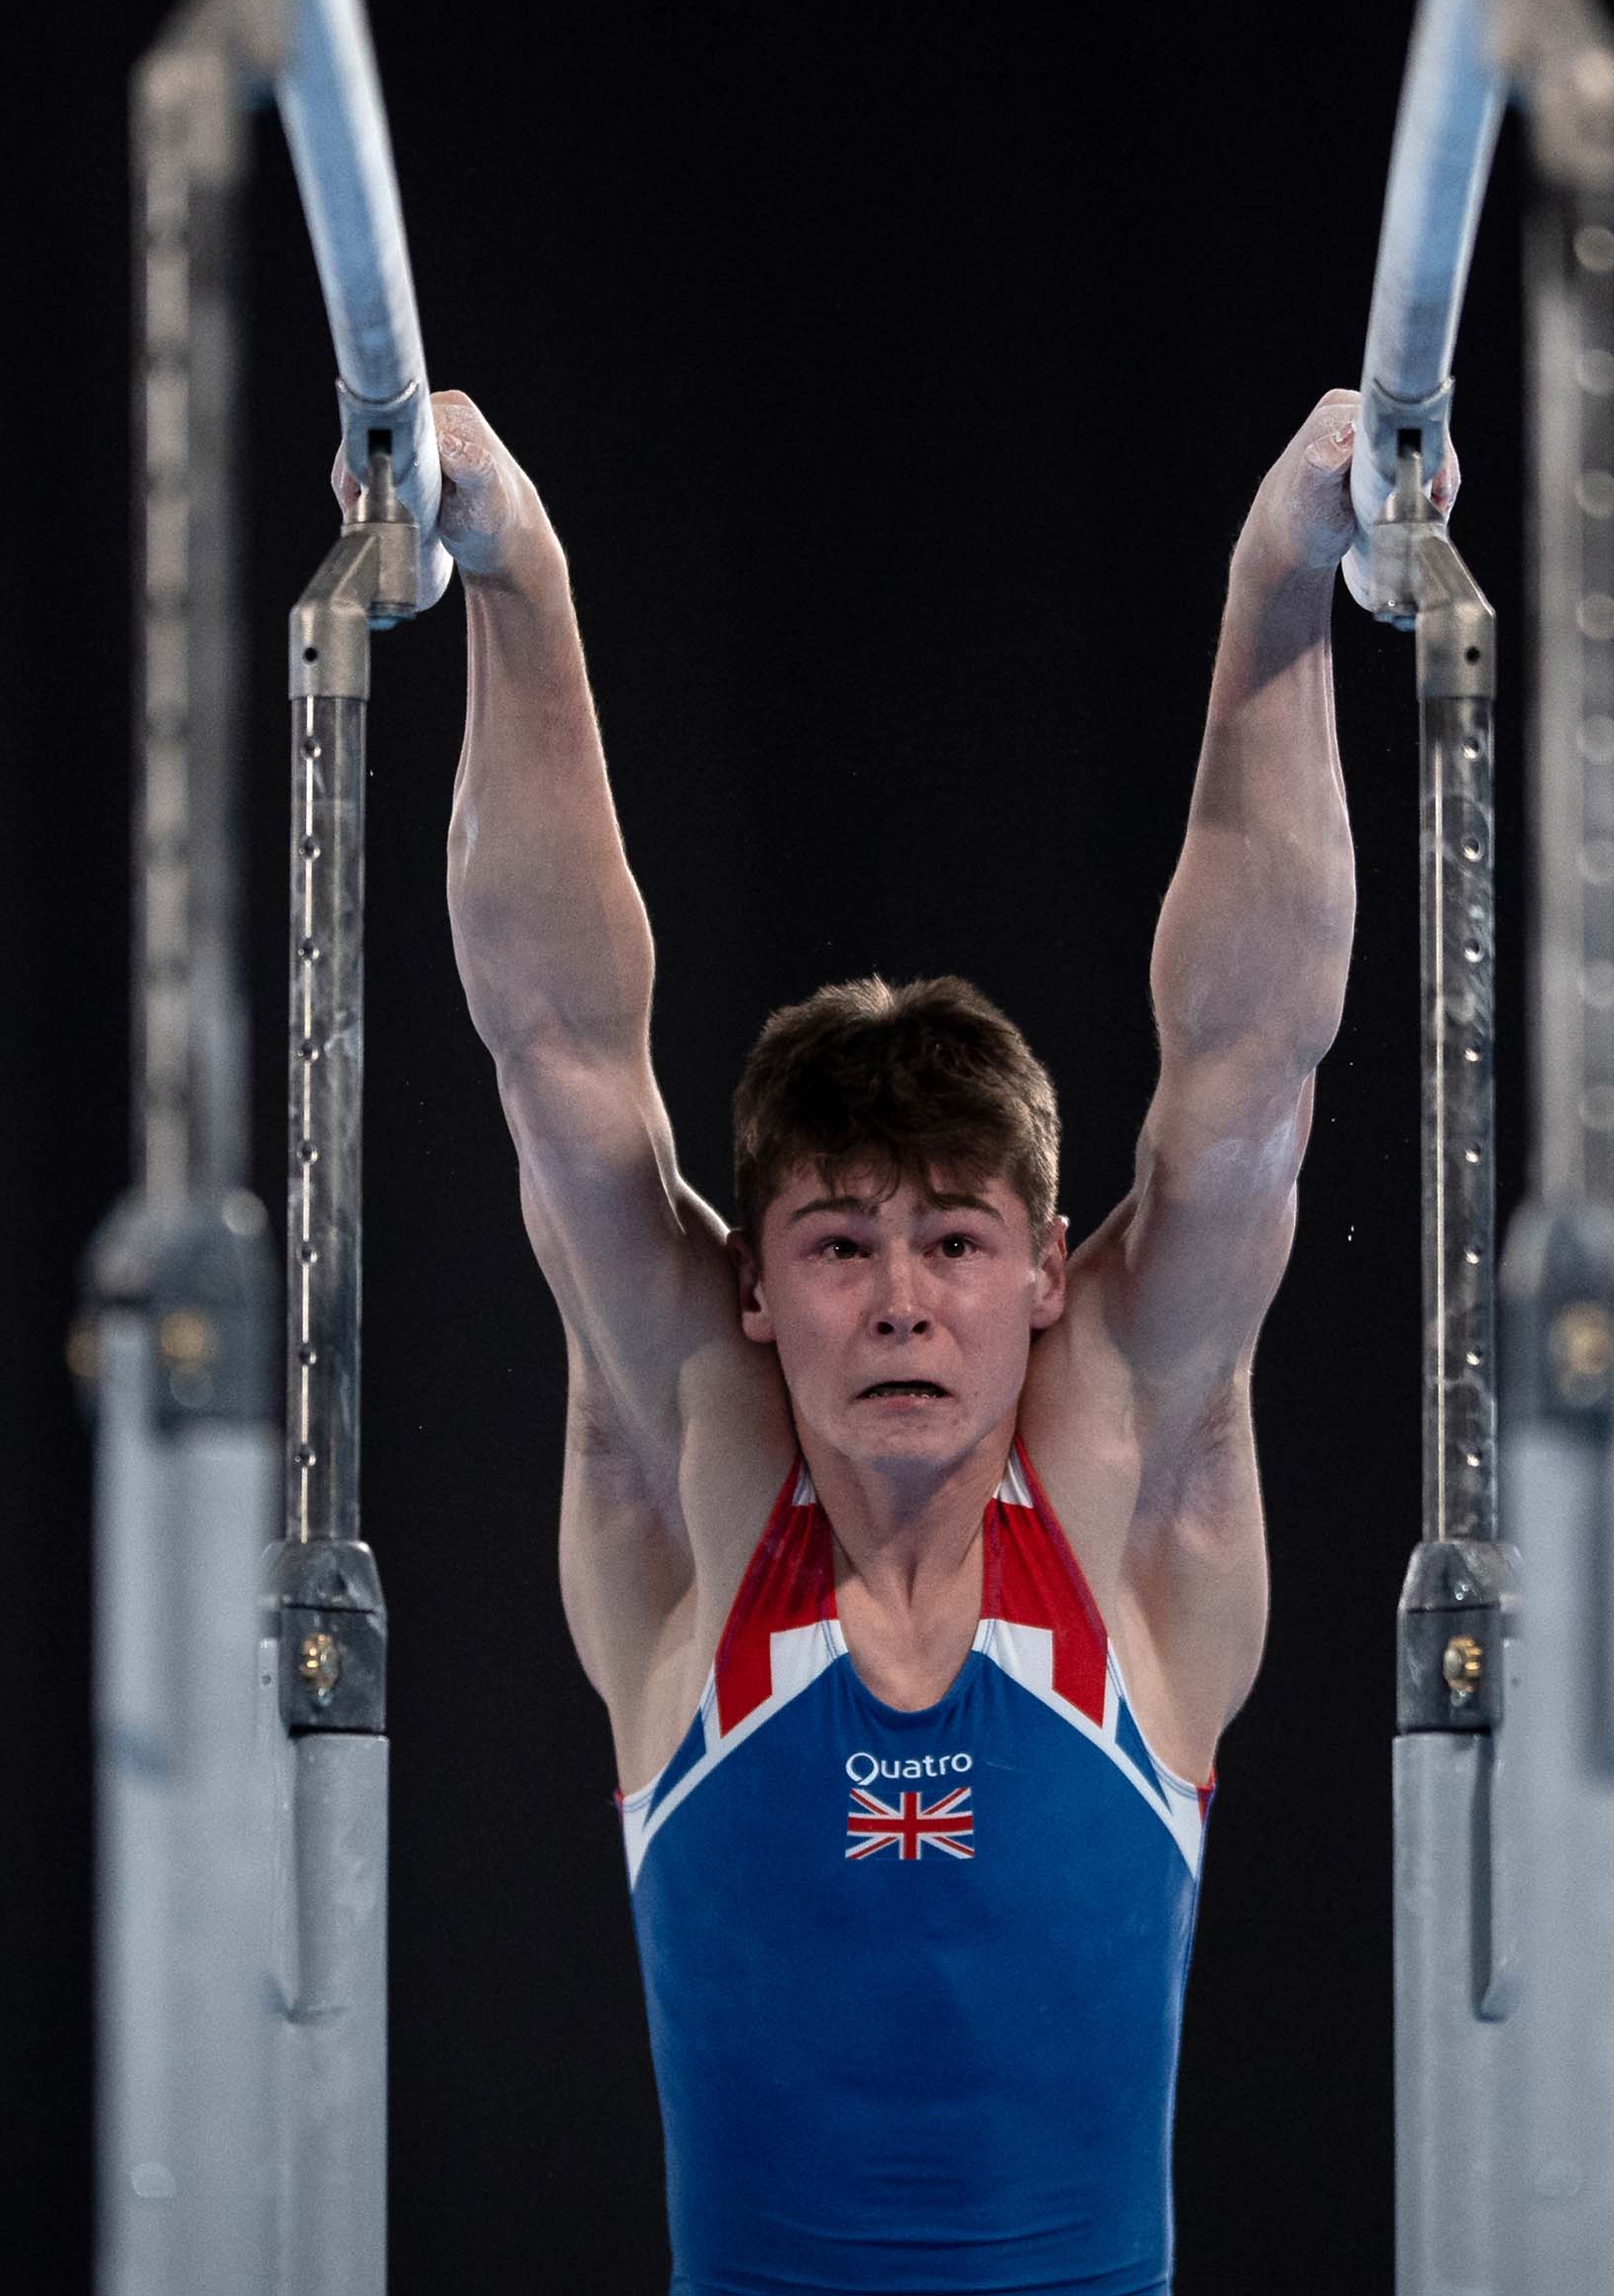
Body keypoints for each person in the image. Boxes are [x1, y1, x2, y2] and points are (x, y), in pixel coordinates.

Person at [375, 383, 1453, 2296]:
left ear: (1047, 1269)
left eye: (954, 1242)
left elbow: (1253, 1069)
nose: (895, 1298)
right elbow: (555, 1054)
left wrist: (1280, 580)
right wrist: (516, 577)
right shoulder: (696, 1483)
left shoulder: (1121, 1485)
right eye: (839, 1241)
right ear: (754, 1281)